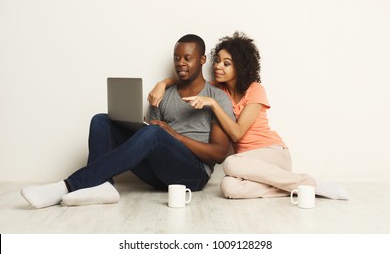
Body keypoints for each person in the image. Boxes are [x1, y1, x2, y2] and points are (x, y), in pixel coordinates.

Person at [21, 34, 235, 208]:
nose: (180, 63)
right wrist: (138, 127)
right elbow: (153, 134)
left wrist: (175, 136)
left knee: (155, 133)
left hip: (192, 176)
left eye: (187, 58)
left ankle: (69, 185)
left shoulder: (216, 98)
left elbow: (217, 154)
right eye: (176, 58)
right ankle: (103, 185)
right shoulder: (162, 94)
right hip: (157, 174)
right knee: (101, 120)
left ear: (202, 60)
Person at [148, 31, 348, 200]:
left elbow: (237, 134)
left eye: (226, 63)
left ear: (240, 67)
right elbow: (186, 78)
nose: (218, 66)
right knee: (228, 188)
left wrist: (213, 104)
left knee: (230, 163)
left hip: (272, 153)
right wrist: (162, 84)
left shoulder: (255, 90)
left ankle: (308, 183)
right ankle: (293, 189)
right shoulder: (218, 90)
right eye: (217, 61)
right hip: (247, 162)